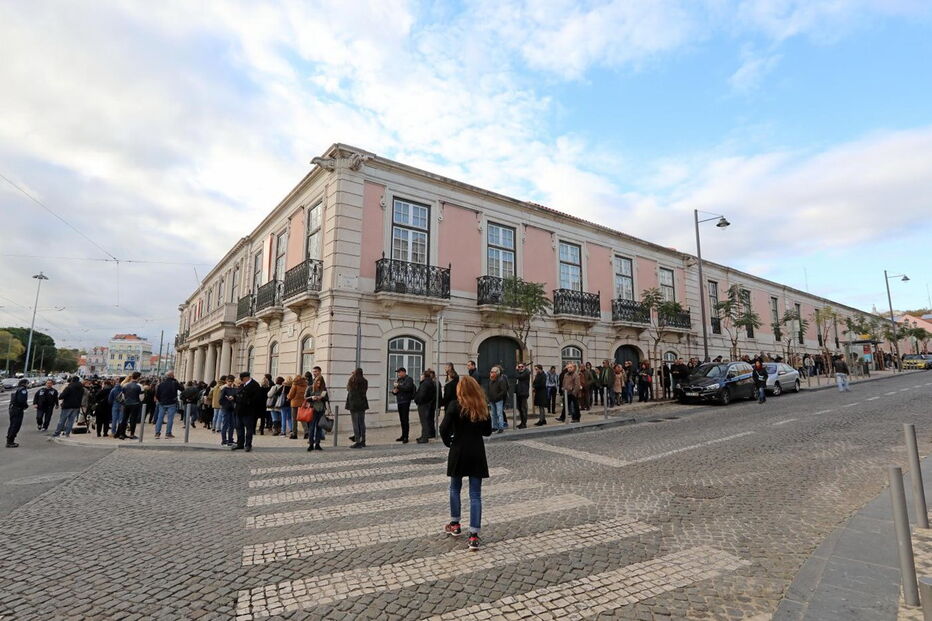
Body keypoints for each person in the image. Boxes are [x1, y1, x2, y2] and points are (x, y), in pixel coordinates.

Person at [440, 374, 492, 551]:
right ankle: (474, 535)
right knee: (475, 494)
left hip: (459, 450)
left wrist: (449, 442)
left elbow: (443, 428)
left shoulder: (455, 406)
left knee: (455, 488)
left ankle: (455, 524)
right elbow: (487, 431)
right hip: (476, 451)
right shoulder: (481, 406)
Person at [233, 371, 263, 452]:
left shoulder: (255, 385)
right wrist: (234, 398)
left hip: (248, 411)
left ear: (246, 378)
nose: (241, 380)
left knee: (249, 429)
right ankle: (240, 444)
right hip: (239, 410)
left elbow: (257, 399)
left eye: (242, 379)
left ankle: (248, 444)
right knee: (239, 428)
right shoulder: (242, 385)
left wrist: (246, 401)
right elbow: (238, 394)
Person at [154, 371, 182, 439]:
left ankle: (157, 433)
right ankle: (168, 433)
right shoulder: (174, 383)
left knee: (160, 418)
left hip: (162, 403)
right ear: (171, 376)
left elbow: (157, 394)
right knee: (170, 419)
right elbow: (182, 389)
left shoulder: (161, 384)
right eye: (173, 375)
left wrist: (160, 400)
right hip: (172, 403)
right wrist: (176, 381)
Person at [346, 368, 369, 449]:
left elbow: (348, 389)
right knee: (362, 422)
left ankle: (357, 441)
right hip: (362, 404)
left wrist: (352, 376)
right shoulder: (365, 381)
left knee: (355, 423)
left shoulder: (352, 380)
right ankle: (363, 440)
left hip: (354, 404)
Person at [392, 367, 416, 443]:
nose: (398, 374)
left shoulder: (409, 379)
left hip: (406, 401)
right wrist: (394, 391)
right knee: (402, 419)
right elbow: (395, 389)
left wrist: (398, 386)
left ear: (403, 372)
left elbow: (408, 388)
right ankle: (403, 435)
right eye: (398, 373)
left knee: (405, 419)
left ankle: (406, 436)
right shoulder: (399, 380)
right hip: (399, 401)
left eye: (399, 372)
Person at [305, 373, 328, 451]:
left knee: (319, 427)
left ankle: (317, 444)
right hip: (312, 410)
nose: (318, 384)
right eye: (317, 383)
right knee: (311, 428)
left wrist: (322, 398)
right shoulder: (310, 388)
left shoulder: (324, 389)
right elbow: (305, 398)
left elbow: (327, 399)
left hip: (321, 410)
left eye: (320, 383)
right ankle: (311, 444)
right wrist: (312, 397)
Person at [117, 372, 143, 440]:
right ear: (138, 378)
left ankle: (122, 434)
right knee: (133, 419)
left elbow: (123, 396)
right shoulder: (140, 386)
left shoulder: (125, 385)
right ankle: (132, 434)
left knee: (124, 419)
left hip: (126, 404)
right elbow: (141, 398)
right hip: (135, 404)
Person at [414, 369, 437, 443]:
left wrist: (417, 400)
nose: (420, 376)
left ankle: (424, 437)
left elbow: (422, 395)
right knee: (426, 421)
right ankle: (424, 435)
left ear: (424, 376)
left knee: (424, 421)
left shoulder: (425, 383)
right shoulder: (430, 382)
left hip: (423, 404)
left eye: (422, 375)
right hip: (427, 404)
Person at [7, 378, 29, 447]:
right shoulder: (23, 390)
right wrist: (25, 406)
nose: (28, 385)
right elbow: (21, 400)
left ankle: (9, 440)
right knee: (16, 425)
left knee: (12, 425)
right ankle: (10, 442)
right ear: (24, 384)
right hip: (17, 409)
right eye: (27, 383)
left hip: (12, 409)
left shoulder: (17, 388)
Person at [486, 366, 508, 433]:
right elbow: (489, 389)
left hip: (498, 400)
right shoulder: (490, 380)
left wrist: (497, 397)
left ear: (497, 373)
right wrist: (488, 397)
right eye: (491, 372)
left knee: (499, 413)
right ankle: (494, 426)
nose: (491, 373)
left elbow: (503, 391)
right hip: (492, 400)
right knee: (493, 414)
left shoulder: (501, 380)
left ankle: (501, 427)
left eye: (493, 372)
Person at [286, 374, 307, 439]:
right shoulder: (305, 385)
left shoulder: (294, 385)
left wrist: (288, 397)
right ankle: (306, 432)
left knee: (294, 419)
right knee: (302, 418)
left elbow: (291, 395)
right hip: (302, 403)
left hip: (294, 404)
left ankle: (294, 434)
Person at [219, 376, 237, 446]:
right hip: (226, 408)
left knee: (232, 425)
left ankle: (230, 439)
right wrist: (227, 401)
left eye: (231, 381)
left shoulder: (234, 389)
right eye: (229, 381)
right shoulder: (224, 389)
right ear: (226, 382)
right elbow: (220, 400)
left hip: (232, 409)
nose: (230, 383)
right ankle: (224, 440)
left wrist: (233, 398)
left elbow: (236, 397)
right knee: (225, 424)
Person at [513, 362, 530, 429]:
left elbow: (518, 376)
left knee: (523, 409)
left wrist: (516, 370)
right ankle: (522, 422)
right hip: (519, 393)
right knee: (520, 409)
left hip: (524, 393)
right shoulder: (520, 373)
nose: (520, 368)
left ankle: (524, 424)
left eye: (522, 367)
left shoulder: (526, 372)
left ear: (525, 367)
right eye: (519, 367)